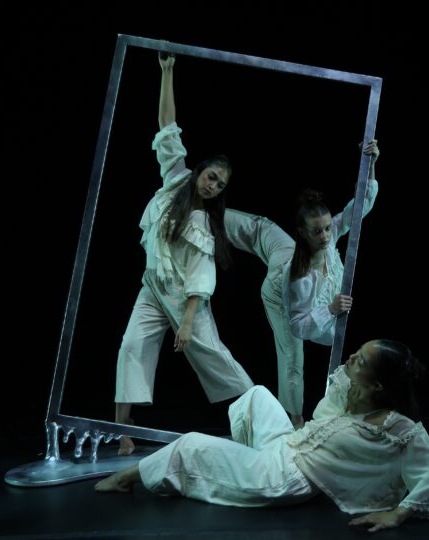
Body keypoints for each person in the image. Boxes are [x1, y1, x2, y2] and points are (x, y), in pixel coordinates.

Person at [96, 338, 429, 533]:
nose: (349, 361)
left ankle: (130, 477)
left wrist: (398, 514)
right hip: (287, 447)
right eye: (356, 353)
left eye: (358, 361)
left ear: (377, 384)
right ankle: (234, 467)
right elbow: (322, 417)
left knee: (190, 443)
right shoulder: (351, 392)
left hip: (284, 478)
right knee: (257, 395)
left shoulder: (393, 426)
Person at [114, 51, 254, 455]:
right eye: (212, 177)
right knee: (131, 347)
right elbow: (167, 126)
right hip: (151, 288)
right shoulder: (175, 181)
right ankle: (121, 430)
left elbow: (200, 274)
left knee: (215, 356)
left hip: (185, 298)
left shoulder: (200, 221)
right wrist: (167, 70)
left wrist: (188, 322)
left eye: (221, 185)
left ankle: (262, 418)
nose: (214, 186)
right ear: (199, 171)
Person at [223, 142, 379, 428]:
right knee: (293, 356)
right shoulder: (299, 277)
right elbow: (299, 325)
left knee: (263, 228)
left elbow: (357, 210)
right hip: (279, 292)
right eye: (317, 231)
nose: (325, 236)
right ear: (303, 233)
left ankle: (214, 217)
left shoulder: (328, 236)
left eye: (327, 228)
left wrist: (370, 165)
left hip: (287, 252)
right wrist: (331, 309)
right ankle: (295, 420)